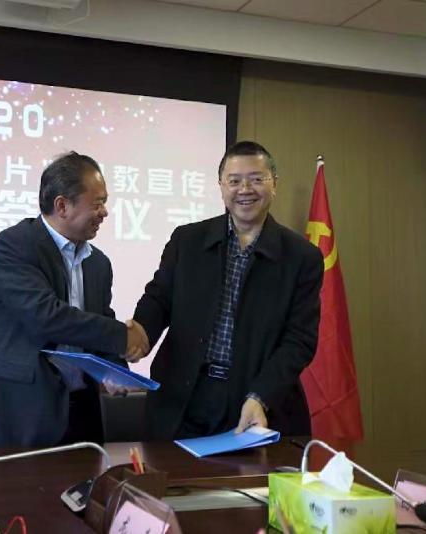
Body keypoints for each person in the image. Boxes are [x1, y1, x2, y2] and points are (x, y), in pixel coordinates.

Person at [133, 141, 323, 439]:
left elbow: (299, 340)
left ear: (274, 184)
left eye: (256, 179)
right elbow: (158, 300)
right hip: (183, 398)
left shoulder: (302, 257)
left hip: (256, 402)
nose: (245, 189)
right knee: (172, 471)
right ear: (221, 186)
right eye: (234, 181)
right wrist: (138, 336)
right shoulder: (187, 240)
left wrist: (261, 395)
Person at [0, 151, 149, 448]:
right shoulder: (13, 246)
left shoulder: (98, 263)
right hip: (21, 418)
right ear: (62, 205)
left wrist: (114, 368)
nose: (104, 212)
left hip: (82, 415)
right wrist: (123, 336)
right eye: (98, 203)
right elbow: (46, 316)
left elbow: (98, 321)